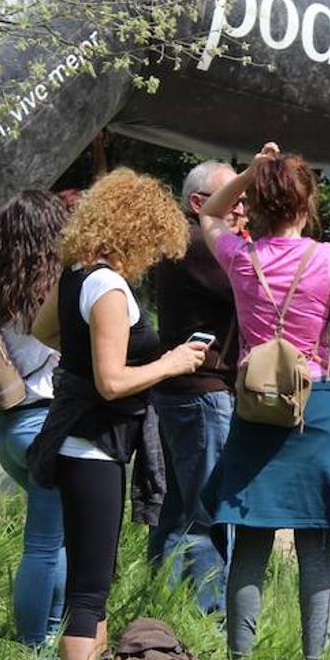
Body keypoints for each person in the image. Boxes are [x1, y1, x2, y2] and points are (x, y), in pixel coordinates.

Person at [201, 143, 330, 660]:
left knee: (251, 536)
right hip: (316, 404)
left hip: (255, 408)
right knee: (316, 541)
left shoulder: (240, 258)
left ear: (259, 206)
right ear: (308, 203)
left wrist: (249, 171)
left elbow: (210, 213)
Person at [26, 167, 207, 660]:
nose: (155, 255)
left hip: (85, 444)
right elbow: (111, 382)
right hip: (93, 448)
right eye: (154, 243)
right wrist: (171, 362)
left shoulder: (77, 275)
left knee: (93, 582)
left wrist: (82, 358)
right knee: (88, 592)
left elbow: (42, 331)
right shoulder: (108, 286)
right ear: (136, 231)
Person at [0, 190, 68, 651]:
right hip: (49, 423)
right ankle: (36, 646)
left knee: (56, 539)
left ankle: (49, 634)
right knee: (46, 545)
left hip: (7, 426)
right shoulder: (62, 284)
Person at [147, 161, 247, 614]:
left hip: (180, 392)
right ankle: (212, 616)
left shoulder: (180, 243)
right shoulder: (200, 245)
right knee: (207, 513)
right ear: (198, 204)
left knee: (178, 510)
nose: (244, 208)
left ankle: (163, 606)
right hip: (202, 393)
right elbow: (254, 289)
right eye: (236, 198)